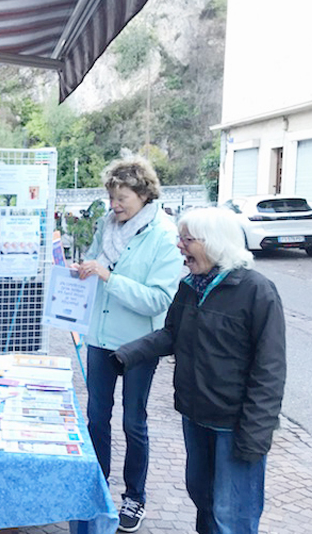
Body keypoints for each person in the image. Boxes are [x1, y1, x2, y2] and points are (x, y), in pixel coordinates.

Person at [113, 207, 286, 534]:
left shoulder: (257, 291)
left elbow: (270, 371)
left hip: (235, 426)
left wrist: (255, 435)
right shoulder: (191, 286)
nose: (179, 246)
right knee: (203, 501)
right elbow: (171, 334)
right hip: (195, 416)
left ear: (215, 242)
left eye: (187, 240)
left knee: (231, 516)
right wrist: (126, 355)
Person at [73, 156, 183, 532]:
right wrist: (84, 268)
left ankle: (134, 498)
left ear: (144, 194)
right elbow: (96, 261)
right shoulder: (107, 225)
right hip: (99, 338)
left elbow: (157, 301)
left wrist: (107, 276)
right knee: (96, 417)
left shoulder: (165, 235)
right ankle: (98, 485)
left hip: (138, 344)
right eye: (112, 197)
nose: (115, 206)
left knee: (133, 421)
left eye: (122, 198)